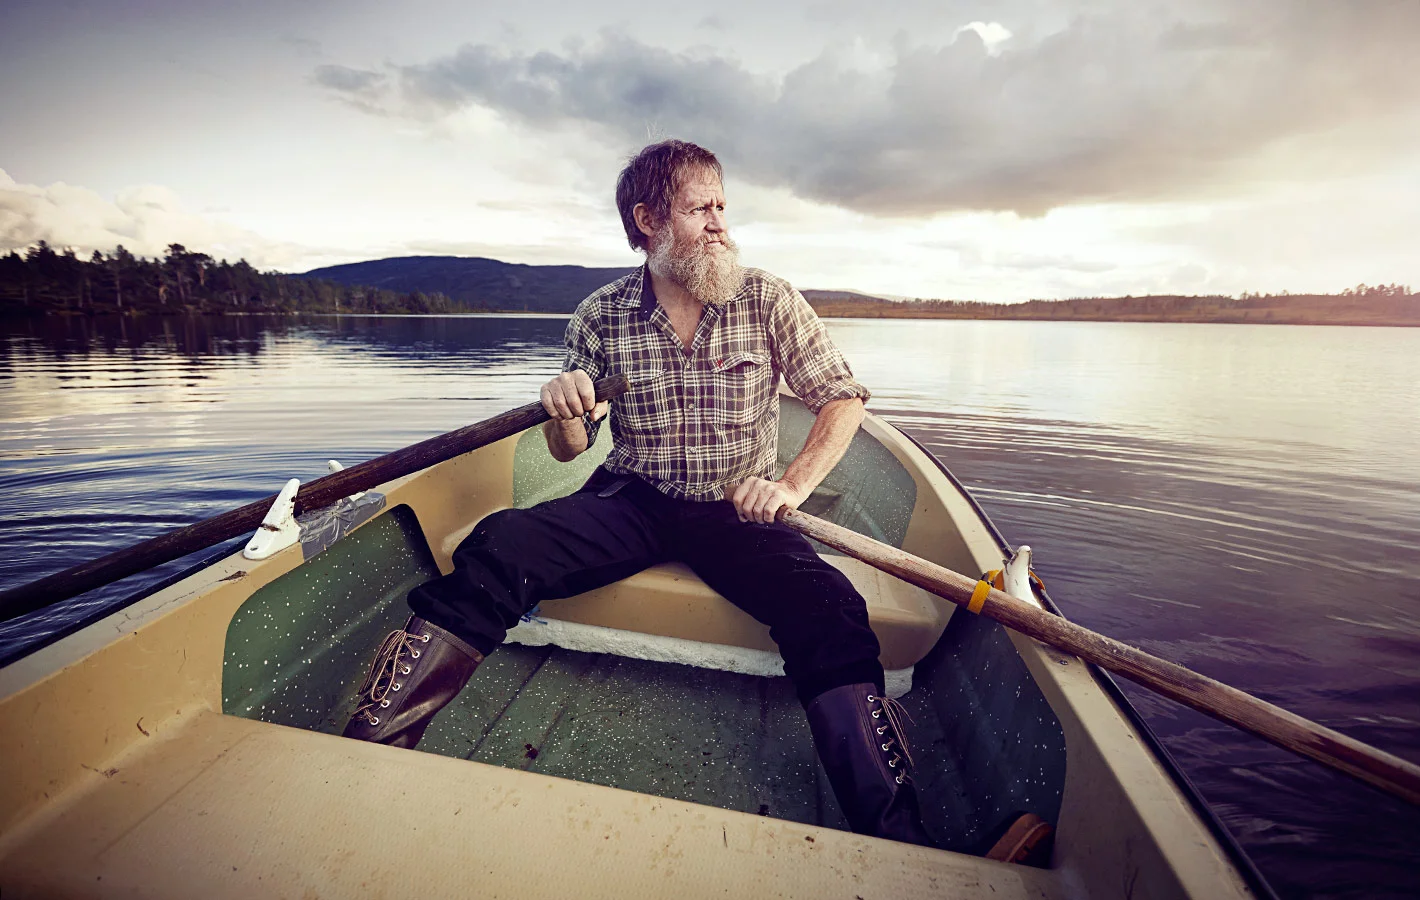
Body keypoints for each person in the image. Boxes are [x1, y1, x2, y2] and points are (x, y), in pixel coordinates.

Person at [341, 139, 1042, 857]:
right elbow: (571, 450)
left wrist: (789, 485)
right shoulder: (600, 315)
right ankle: (372, 745)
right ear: (648, 220)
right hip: (633, 498)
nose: (719, 223)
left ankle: (897, 832)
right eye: (699, 208)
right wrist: (564, 410)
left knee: (829, 607)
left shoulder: (766, 298)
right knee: (500, 546)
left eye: (721, 206)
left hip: (738, 511)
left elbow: (842, 399)